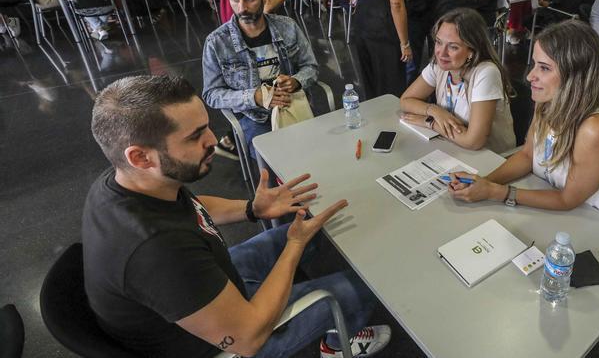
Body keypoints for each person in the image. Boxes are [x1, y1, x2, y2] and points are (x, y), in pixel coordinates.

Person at [84, 74, 391, 358]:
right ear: (140, 156)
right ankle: (336, 346)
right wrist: (294, 246)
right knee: (366, 285)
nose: (213, 141)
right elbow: (248, 338)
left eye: (206, 126)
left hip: (210, 284)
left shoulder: (126, 182)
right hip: (226, 340)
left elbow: (192, 206)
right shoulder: (156, 253)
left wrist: (251, 209)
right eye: (194, 137)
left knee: (317, 229)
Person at [446, 20, 599, 216]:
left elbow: (567, 199)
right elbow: (528, 155)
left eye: (544, 68)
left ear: (574, 75)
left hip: (579, 220)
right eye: (535, 64)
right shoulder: (548, 101)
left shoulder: (595, 129)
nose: (529, 76)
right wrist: (484, 182)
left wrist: (494, 191)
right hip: (543, 206)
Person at [203, 0, 318, 159]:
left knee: (315, 150)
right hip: (254, 117)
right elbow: (211, 94)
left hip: (292, 107)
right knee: (275, 158)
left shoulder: (287, 27)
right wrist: (253, 97)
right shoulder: (217, 42)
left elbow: (311, 67)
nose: (242, 8)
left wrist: (297, 81)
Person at [400, 7, 515, 153]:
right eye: (439, 42)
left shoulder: (486, 73)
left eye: (453, 47)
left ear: (471, 52)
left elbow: (474, 141)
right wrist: (435, 111)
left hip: (489, 158)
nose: (441, 53)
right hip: (452, 147)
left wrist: (429, 122)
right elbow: (406, 100)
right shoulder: (439, 65)